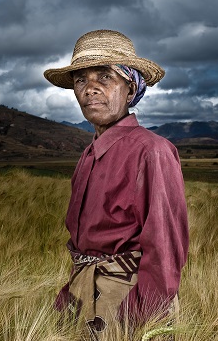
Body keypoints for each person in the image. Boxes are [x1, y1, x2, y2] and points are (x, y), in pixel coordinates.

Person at [43, 30, 189, 338]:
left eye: (105, 76)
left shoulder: (152, 151)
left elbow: (164, 252)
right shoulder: (88, 155)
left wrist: (141, 322)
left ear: (130, 86)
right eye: (81, 79)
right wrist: (70, 295)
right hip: (81, 297)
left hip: (125, 302)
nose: (90, 88)